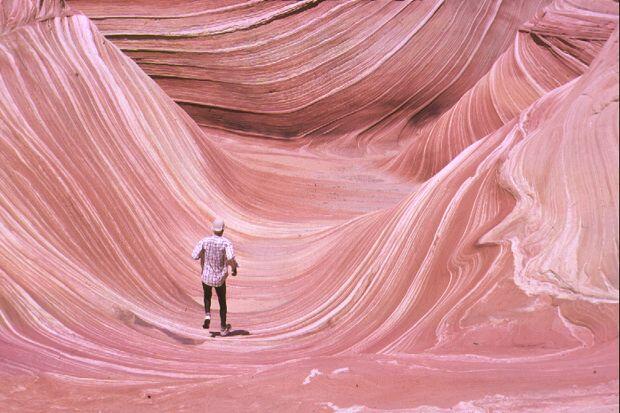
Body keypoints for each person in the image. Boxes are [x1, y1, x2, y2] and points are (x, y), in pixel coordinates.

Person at [191, 218, 238, 336]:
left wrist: (203, 254)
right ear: (223, 230)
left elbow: (194, 255)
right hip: (219, 278)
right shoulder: (226, 243)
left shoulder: (205, 241)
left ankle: (207, 315)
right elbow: (231, 258)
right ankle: (223, 327)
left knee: (207, 296)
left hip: (206, 276)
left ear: (213, 228)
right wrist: (234, 269)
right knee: (222, 301)